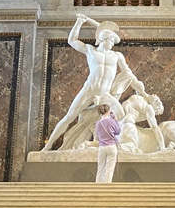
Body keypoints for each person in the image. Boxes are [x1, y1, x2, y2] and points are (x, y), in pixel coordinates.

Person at [41, 13, 151, 151]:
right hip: (89, 90)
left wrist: (144, 93)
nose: (112, 43)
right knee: (69, 117)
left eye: (112, 40)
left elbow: (129, 74)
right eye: (110, 40)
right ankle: (48, 146)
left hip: (105, 95)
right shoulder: (90, 50)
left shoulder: (117, 56)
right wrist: (80, 22)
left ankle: (113, 143)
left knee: (121, 114)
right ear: (103, 39)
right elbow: (72, 40)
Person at [95, 103, 121, 182]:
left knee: (100, 168)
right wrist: (116, 121)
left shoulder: (97, 123)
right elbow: (118, 131)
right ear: (108, 111)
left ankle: (98, 188)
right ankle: (107, 189)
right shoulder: (112, 121)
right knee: (109, 169)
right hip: (111, 146)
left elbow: (98, 134)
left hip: (102, 147)